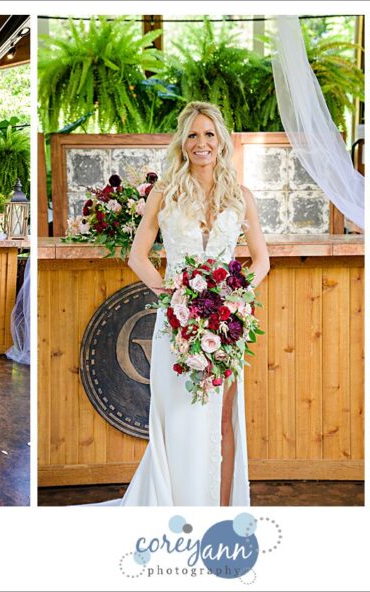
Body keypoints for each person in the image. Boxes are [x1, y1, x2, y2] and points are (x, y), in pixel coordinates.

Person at [112, 101, 270, 506]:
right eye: (194, 135)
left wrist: (234, 296)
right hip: (177, 322)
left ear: (221, 142)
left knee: (222, 417)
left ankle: (219, 508)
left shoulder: (241, 196)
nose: (202, 143)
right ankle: (177, 504)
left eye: (209, 134)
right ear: (183, 143)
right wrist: (168, 291)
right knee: (180, 418)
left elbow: (262, 259)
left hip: (225, 324)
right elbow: (138, 255)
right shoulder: (164, 193)